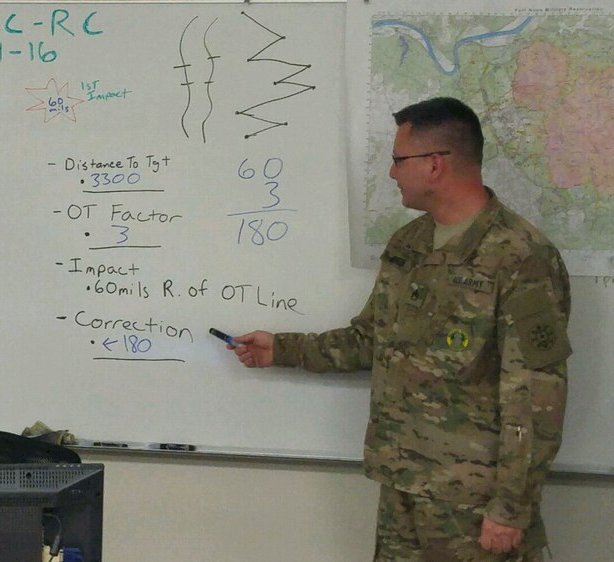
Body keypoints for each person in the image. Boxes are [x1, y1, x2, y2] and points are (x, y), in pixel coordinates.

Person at [229, 97, 571, 561]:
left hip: (471, 503)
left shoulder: (521, 257)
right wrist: (282, 349)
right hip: (402, 485)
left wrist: (511, 507)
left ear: (434, 165)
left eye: (397, 160)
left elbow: (536, 397)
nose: (392, 173)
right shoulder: (408, 246)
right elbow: (370, 340)